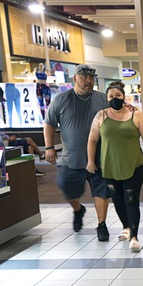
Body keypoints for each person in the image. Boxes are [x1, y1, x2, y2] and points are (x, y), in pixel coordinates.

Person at [43, 64, 111, 240]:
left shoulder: (102, 99)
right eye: (84, 78)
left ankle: (102, 225)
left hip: (99, 157)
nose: (88, 81)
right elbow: (49, 123)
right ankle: (78, 209)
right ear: (74, 79)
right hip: (72, 156)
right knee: (66, 186)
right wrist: (49, 147)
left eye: (91, 78)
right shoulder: (61, 99)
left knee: (101, 191)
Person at [86, 81, 143, 252]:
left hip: (133, 165)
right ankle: (126, 226)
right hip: (109, 166)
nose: (114, 99)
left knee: (131, 201)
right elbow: (92, 140)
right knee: (117, 200)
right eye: (111, 96)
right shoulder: (100, 116)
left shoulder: (135, 114)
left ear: (123, 96)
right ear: (106, 98)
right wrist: (91, 161)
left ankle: (135, 236)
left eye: (117, 95)